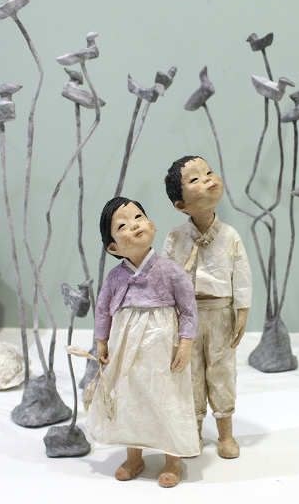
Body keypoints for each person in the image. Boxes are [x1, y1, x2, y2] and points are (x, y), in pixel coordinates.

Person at [87, 196, 199, 488]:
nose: (134, 225)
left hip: (163, 349)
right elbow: (102, 309)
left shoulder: (171, 270)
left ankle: (172, 459)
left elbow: (189, 310)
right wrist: (101, 341)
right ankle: (134, 457)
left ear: (152, 224)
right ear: (113, 247)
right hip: (125, 349)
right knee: (129, 399)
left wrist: (185, 343)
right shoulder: (115, 276)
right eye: (122, 225)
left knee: (167, 399)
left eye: (138, 217)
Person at [162, 155, 252, 459]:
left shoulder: (230, 236)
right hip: (186, 318)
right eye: (195, 179)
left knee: (222, 371)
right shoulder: (175, 238)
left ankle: (226, 435)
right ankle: (194, 432)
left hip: (221, 315)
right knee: (190, 374)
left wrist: (242, 311)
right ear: (181, 205)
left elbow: (242, 275)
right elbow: (164, 280)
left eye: (209, 172)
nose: (208, 180)